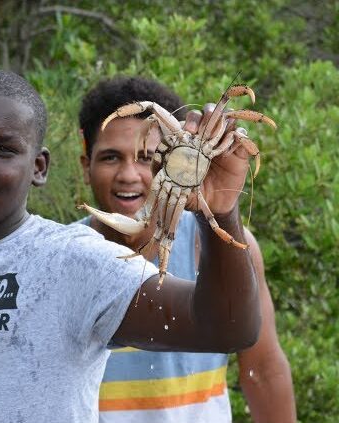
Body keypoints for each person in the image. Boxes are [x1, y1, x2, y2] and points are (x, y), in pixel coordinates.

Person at [0, 69, 261, 423]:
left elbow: (226, 329)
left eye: (3, 149)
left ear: (39, 168)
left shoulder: (72, 260)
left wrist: (222, 211)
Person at [77, 76, 296, 423]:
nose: (129, 174)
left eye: (146, 157)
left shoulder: (222, 246)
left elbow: (264, 370)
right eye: (110, 158)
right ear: (84, 165)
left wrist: (224, 208)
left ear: (165, 157)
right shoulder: (65, 256)